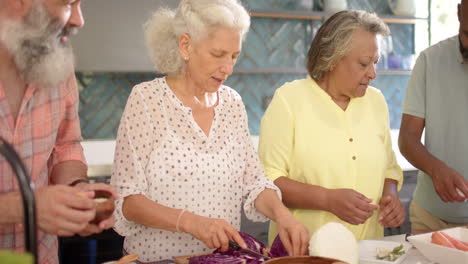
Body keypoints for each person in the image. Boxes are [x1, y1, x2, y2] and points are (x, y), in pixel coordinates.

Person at [110, 0, 309, 262]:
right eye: (218, 54)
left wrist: (284, 217)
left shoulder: (232, 103)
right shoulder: (147, 100)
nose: (228, 68)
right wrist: (191, 223)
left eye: (234, 56)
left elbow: (254, 183)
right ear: (186, 46)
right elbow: (127, 200)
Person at [258, 10, 406, 244]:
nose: (373, 73)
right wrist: (327, 199)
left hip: (367, 251)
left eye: (375, 63)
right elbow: (267, 181)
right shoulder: (289, 100)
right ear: (332, 59)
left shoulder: (376, 102)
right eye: (364, 64)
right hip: (304, 252)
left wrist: (391, 197)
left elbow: (389, 169)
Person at [0, 0, 116, 263]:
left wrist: (78, 193)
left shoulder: (57, 63)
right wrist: (26, 208)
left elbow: (66, 147)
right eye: (67, 3)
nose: (79, 20)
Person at [398, 0, 468, 234]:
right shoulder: (430, 60)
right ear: (459, 12)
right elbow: (407, 139)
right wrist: (436, 169)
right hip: (430, 219)